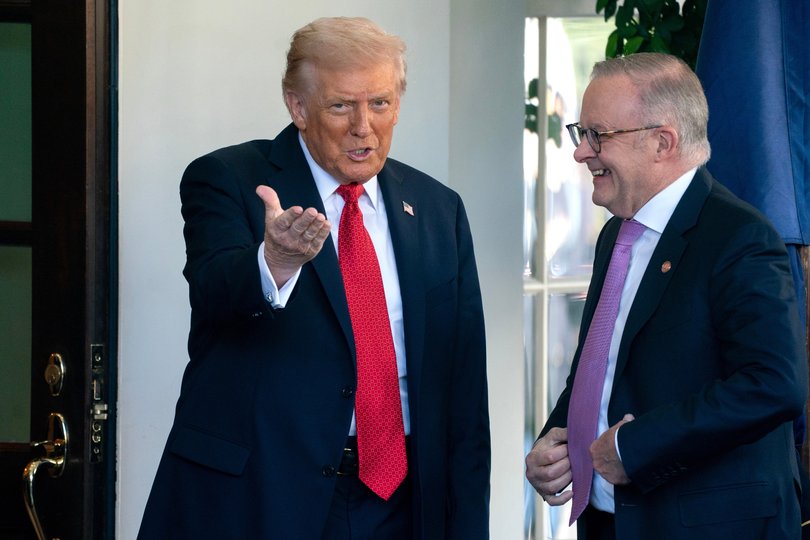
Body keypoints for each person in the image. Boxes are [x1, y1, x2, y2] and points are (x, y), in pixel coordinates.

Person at [138, 17, 490, 540]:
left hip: (402, 504)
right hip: (261, 497)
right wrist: (275, 262)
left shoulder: (439, 209)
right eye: (341, 105)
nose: (363, 127)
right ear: (297, 107)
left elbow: (462, 387)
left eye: (380, 103)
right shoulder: (229, 179)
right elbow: (214, 291)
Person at [525, 52, 807, 539]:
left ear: (663, 142)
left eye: (599, 135)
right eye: (582, 132)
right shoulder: (617, 233)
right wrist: (557, 439)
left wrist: (637, 446)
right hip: (609, 521)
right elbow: (604, 364)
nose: (581, 152)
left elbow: (773, 384)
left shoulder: (738, 237)